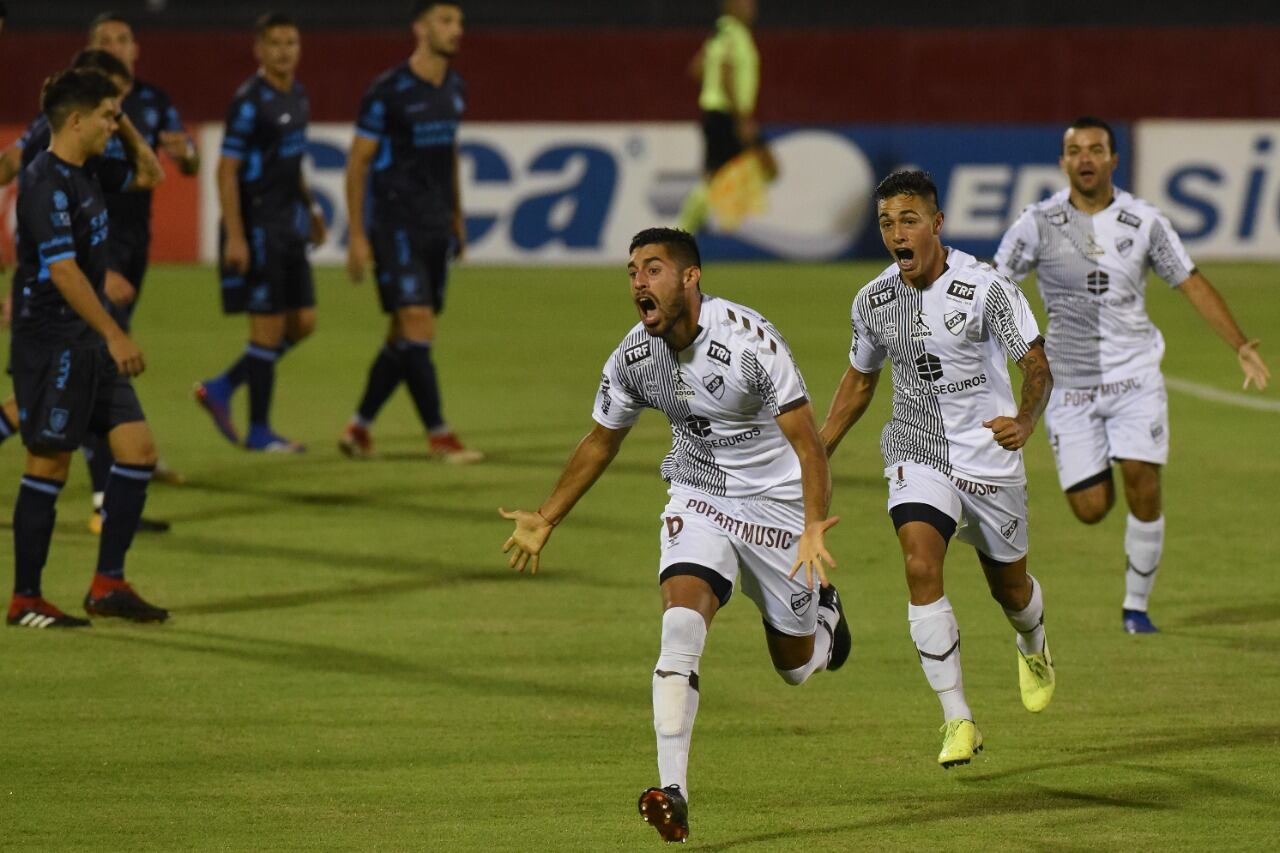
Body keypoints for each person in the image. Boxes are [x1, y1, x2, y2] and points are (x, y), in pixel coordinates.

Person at [501, 227, 849, 843]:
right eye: (633, 270)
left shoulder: (750, 344)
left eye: (653, 268)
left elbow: (809, 444)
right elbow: (602, 439)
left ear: (690, 278)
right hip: (700, 495)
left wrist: (814, 524)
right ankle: (673, 790)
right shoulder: (635, 357)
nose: (638, 280)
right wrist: (547, 515)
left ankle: (825, 622)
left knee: (795, 668)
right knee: (680, 625)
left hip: (775, 506)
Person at [993, 117, 1271, 634]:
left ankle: (1136, 607)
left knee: (1144, 478)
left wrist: (1239, 344)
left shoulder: (1144, 221)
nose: (1086, 158)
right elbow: (995, 285)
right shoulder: (1036, 222)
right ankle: (1101, 464)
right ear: (1063, 162)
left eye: (1096, 148)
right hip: (1070, 385)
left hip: (1134, 374)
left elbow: (1189, 280)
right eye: (1075, 150)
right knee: (1091, 508)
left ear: (1113, 160)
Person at [819, 170, 1056, 769]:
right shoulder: (873, 300)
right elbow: (860, 379)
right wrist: (818, 447)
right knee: (921, 562)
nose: (896, 233)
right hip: (916, 452)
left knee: (1012, 592)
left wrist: (1025, 422)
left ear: (936, 223)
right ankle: (958, 718)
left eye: (908, 220)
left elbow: (1036, 367)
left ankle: (1033, 642)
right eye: (886, 223)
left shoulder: (986, 289)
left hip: (992, 459)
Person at [8, 68, 169, 628]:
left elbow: (152, 174)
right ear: (75, 120)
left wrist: (122, 123)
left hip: (84, 340)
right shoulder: (45, 183)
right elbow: (64, 271)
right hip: (52, 341)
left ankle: (108, 584)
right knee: (49, 463)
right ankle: (26, 599)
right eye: (105, 115)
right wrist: (114, 332)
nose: (113, 123)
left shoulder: (90, 169)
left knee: (138, 453)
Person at [339, 1, 480, 463]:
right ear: (420, 29)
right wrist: (358, 235)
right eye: (446, 21)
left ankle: (358, 428)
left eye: (458, 21)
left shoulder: (455, 87)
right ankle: (439, 434)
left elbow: (449, 154)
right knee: (419, 323)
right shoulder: (388, 90)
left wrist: (457, 215)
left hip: (436, 223)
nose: (456, 30)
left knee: (404, 335)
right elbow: (358, 163)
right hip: (395, 223)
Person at [194, 12, 325, 453]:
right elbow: (226, 171)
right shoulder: (249, 101)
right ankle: (260, 430)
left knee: (303, 322)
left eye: (291, 42)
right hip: (258, 226)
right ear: (260, 49)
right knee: (266, 330)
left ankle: (222, 387)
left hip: (289, 223)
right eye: (276, 43)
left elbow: (292, 162)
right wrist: (235, 235)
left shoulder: (299, 95)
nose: (284, 50)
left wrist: (312, 209)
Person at [676, 0, 760, 234]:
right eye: (746, 3)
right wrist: (741, 118)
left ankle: (687, 231)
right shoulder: (734, 34)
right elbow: (725, 71)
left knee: (716, 176)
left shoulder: (718, 34)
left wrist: (711, 91)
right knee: (718, 177)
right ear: (730, 6)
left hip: (715, 113)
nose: (752, 8)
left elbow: (697, 68)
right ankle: (681, 233)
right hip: (726, 115)